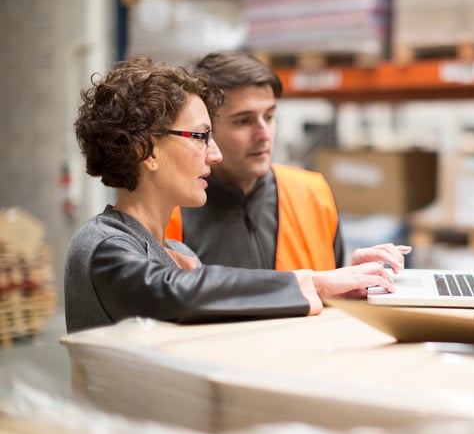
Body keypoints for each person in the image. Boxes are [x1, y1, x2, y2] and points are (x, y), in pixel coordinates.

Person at [64, 57, 395, 333]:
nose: (215, 155)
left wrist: (339, 286)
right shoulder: (102, 245)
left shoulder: (177, 252)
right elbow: (174, 293)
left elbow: (229, 313)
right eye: (200, 136)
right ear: (146, 150)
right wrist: (316, 283)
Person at [164, 50, 410, 273]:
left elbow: (329, 296)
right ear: (207, 130)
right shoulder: (172, 212)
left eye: (269, 117)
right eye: (244, 121)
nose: (264, 134)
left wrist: (351, 276)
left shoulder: (311, 193)